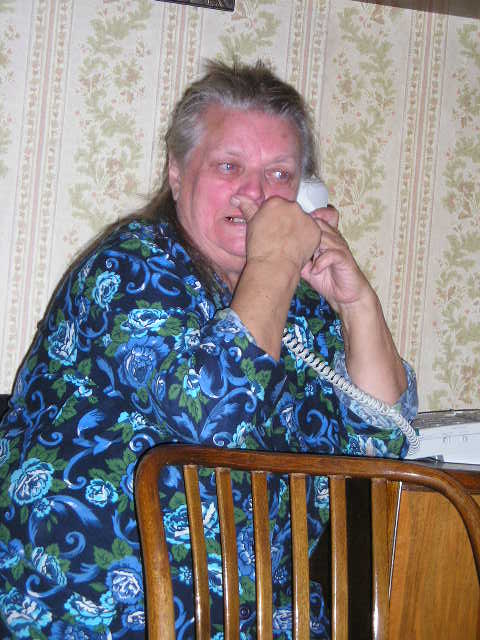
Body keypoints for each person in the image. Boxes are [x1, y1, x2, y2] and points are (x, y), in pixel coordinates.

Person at [0, 60, 417, 639]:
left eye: (280, 174)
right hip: (97, 612)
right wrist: (275, 260)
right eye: (229, 166)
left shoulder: (295, 305)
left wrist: (356, 302)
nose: (257, 193)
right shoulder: (131, 266)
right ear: (177, 174)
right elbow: (214, 413)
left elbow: (381, 448)